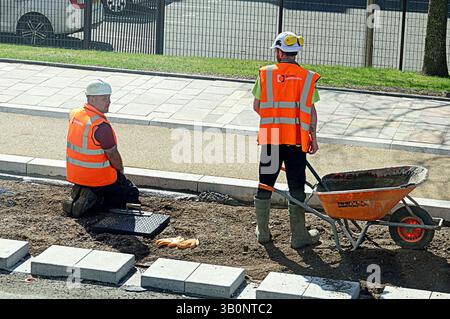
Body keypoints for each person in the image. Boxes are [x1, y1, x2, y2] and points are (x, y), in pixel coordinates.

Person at [252, 31, 321, 249]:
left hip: (271, 139)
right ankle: (299, 236)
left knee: (266, 182)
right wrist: (314, 137)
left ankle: (263, 232)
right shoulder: (307, 77)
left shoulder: (266, 74)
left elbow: (257, 106)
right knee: (296, 185)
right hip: (296, 141)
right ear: (294, 53)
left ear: (280, 52)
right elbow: (310, 111)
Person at [63, 79, 140, 218]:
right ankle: (96, 201)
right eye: (104, 98)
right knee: (131, 193)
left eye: (109, 97)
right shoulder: (101, 127)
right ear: (91, 99)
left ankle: (82, 191)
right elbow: (113, 155)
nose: (109, 101)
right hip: (98, 178)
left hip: (76, 175)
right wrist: (120, 172)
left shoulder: (75, 114)